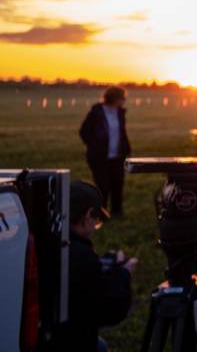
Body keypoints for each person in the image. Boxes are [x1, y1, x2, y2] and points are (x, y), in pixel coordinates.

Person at [54, 181, 137, 351]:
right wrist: (124, 273)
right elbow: (109, 311)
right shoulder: (81, 256)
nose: (96, 226)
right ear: (88, 215)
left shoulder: (47, 243)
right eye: (97, 220)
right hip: (72, 341)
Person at [79, 86, 131, 216]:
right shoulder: (97, 112)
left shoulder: (120, 113)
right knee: (102, 186)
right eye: (122, 98)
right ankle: (101, 213)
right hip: (99, 157)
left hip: (117, 156)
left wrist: (127, 149)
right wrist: (94, 145)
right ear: (115, 98)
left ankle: (117, 212)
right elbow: (84, 131)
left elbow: (121, 133)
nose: (124, 101)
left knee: (117, 184)